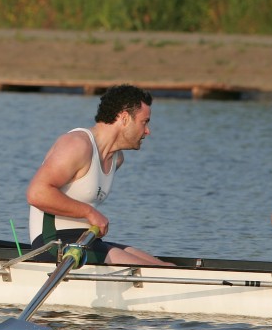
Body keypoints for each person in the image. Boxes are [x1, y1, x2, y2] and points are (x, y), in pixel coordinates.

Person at [27, 84, 171, 265]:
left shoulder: (117, 159)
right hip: (53, 244)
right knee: (154, 271)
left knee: (166, 267)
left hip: (85, 240)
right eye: (145, 122)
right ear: (125, 118)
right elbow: (37, 193)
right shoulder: (77, 144)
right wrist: (89, 212)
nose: (148, 131)